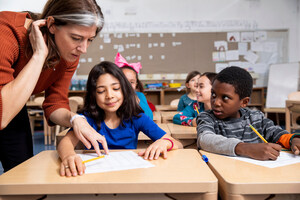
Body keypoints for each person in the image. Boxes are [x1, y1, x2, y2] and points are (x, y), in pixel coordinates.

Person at [0, 0, 108, 172]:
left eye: (90, 40)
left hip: (12, 104)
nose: (83, 49)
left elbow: (55, 103)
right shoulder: (6, 32)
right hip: (5, 104)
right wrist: (39, 55)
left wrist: (75, 119)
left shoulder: (69, 53)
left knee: (21, 173)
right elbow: (2, 113)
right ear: (51, 25)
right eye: (76, 38)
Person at [57, 61, 183, 177]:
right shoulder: (87, 120)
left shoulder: (137, 117)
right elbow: (65, 143)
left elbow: (178, 144)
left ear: (124, 89)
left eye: (116, 88)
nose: (110, 96)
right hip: (95, 178)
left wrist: (165, 142)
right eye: (101, 91)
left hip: (129, 176)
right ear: (93, 95)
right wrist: (69, 156)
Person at [197, 66, 300, 160]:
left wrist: (292, 140)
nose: (216, 102)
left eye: (225, 97)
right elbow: (205, 139)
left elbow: (275, 132)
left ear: (244, 102)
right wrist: (245, 148)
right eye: (213, 94)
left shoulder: (256, 117)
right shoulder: (207, 117)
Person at [115, 52, 153, 119]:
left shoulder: (140, 96)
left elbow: (149, 117)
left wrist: (135, 98)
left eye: (132, 82)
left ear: (136, 84)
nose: (128, 85)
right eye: (124, 81)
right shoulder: (114, 98)